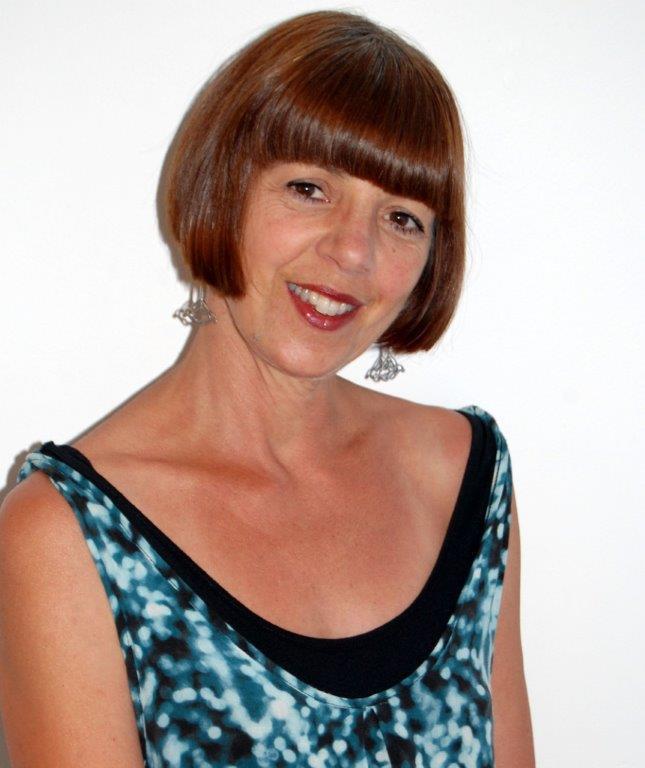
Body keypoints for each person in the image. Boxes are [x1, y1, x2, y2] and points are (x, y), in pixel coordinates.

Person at [0, 9, 535, 767]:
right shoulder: (64, 538)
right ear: (221, 187)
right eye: (309, 188)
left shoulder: (463, 475)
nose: (353, 250)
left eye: (402, 218)